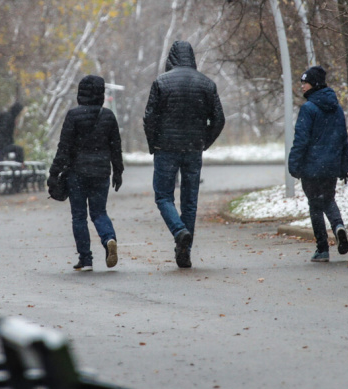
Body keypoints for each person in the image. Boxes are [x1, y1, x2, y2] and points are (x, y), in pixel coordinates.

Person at [143, 40, 225, 268]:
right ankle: (185, 252)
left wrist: (154, 143)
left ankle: (179, 231)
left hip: (166, 149)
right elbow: (219, 119)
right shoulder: (207, 84)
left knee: (163, 197)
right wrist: (204, 142)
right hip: (193, 150)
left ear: (171, 58)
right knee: (190, 202)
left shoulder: (161, 82)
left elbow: (149, 117)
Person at [48, 75, 124, 271]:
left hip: (77, 173)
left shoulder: (73, 115)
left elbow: (64, 148)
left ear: (80, 93)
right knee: (99, 212)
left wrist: (54, 173)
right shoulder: (108, 116)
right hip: (101, 172)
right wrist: (118, 171)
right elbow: (116, 147)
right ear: (101, 93)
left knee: (79, 216)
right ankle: (109, 239)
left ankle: (86, 259)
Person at [287, 65, 348, 262]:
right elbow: (343, 139)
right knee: (328, 199)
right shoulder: (337, 108)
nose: (302, 86)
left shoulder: (308, 109)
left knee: (315, 205)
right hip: (331, 166)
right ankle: (338, 226)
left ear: (314, 84)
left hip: (311, 167)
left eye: (305, 83)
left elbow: (301, 140)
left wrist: (294, 165)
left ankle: (322, 249)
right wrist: (343, 167)